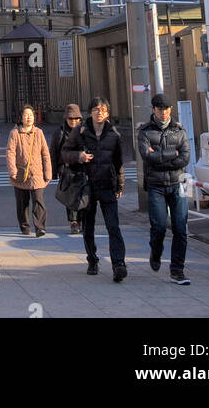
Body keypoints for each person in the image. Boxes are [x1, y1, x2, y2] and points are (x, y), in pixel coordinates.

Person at [63, 95, 127, 282]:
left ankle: (118, 264)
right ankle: (92, 259)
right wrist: (79, 156)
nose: (99, 113)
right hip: (86, 186)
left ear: (108, 113)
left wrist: (120, 183)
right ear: (89, 112)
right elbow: (65, 153)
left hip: (107, 184)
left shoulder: (114, 134)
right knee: (88, 227)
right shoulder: (80, 132)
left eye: (103, 110)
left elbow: (119, 162)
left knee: (113, 226)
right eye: (96, 110)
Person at [137, 94, 192, 287]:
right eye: (160, 109)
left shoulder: (179, 130)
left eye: (166, 109)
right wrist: (172, 154)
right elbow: (146, 156)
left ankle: (177, 270)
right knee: (159, 225)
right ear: (153, 110)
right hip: (156, 185)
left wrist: (159, 156)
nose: (163, 112)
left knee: (180, 227)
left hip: (178, 183)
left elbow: (185, 157)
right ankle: (156, 250)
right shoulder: (144, 131)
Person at [6, 104, 52, 236]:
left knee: (39, 201)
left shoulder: (39, 132)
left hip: (37, 173)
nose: (29, 118)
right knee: (22, 203)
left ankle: (40, 227)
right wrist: (13, 172)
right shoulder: (15, 133)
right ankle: (25, 227)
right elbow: (10, 153)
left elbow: (45, 153)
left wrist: (48, 173)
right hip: (20, 174)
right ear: (21, 117)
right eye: (26, 115)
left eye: (31, 115)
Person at [49, 103, 84, 233]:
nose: (73, 121)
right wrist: (53, 172)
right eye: (71, 119)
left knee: (82, 195)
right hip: (66, 168)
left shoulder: (84, 131)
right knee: (70, 196)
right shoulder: (60, 133)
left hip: (82, 168)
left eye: (76, 119)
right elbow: (53, 152)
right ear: (65, 119)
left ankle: (81, 219)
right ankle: (73, 222)